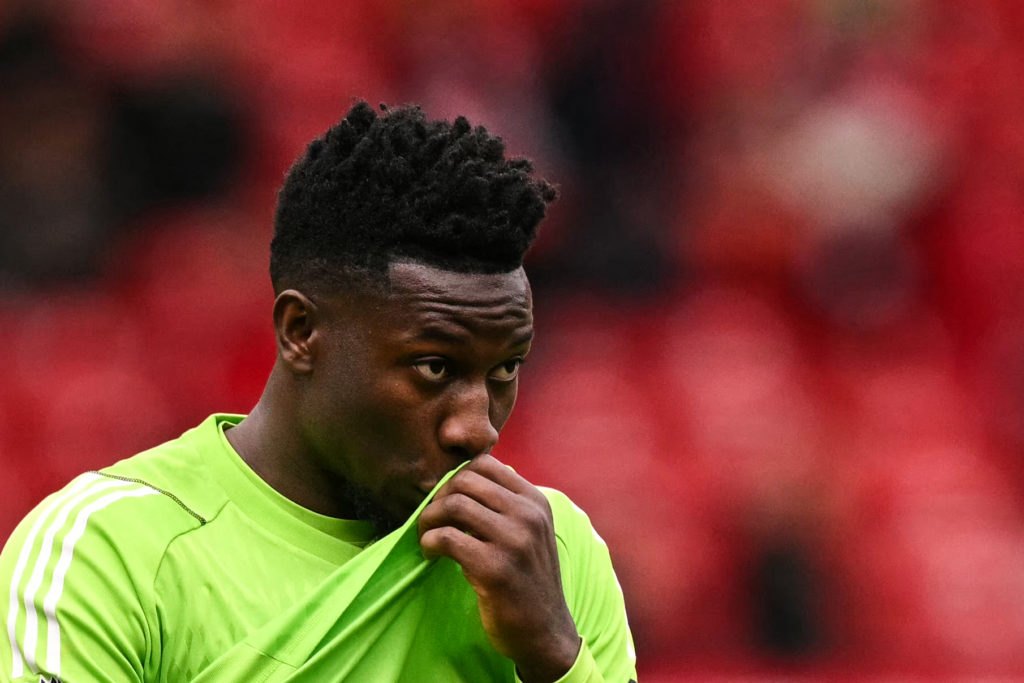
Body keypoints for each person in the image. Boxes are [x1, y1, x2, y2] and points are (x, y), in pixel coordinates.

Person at [0, 101, 637, 682]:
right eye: (435, 369)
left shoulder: (550, 555)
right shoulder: (109, 550)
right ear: (301, 331)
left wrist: (555, 658)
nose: (478, 428)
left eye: (505, 370)